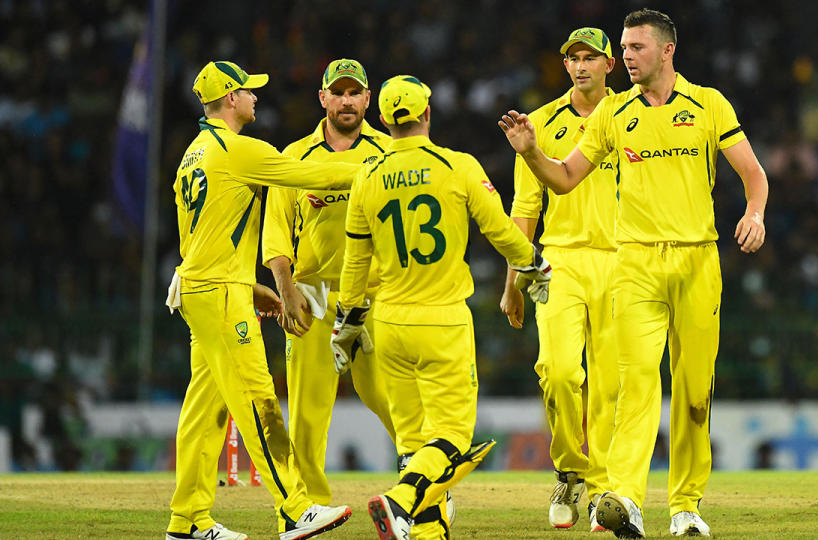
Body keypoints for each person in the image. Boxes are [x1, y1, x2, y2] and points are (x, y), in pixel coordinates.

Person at [500, 9, 768, 538]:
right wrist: (531, 153)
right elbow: (564, 178)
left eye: (635, 48)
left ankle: (686, 504)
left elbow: (753, 175)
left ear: (667, 51)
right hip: (635, 263)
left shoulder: (707, 104)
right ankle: (622, 497)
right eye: (622, 48)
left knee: (694, 390)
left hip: (697, 261)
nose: (626, 56)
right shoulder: (614, 112)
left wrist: (754, 213)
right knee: (635, 385)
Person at [331, 74, 552, 540]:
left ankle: (428, 533)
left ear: (383, 119)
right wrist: (533, 264)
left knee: (414, 443)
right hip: (442, 318)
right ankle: (400, 500)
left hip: (387, 321)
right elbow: (500, 229)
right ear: (428, 113)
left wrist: (346, 323)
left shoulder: (365, 177)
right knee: (451, 439)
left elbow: (355, 262)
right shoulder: (456, 166)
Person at [165, 60, 360, 540]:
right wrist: (392, 163)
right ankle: (295, 509)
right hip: (219, 295)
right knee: (258, 401)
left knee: (203, 410)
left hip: (200, 285)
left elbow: (200, 237)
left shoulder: (194, 153)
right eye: (249, 91)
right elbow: (318, 176)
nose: (256, 97)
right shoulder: (239, 150)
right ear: (230, 98)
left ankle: (187, 519)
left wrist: (248, 285)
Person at [499, 27, 620, 532]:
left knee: (613, 386)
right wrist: (513, 281)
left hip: (625, 261)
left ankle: (605, 489)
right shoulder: (540, 123)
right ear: (564, 65)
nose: (582, 65)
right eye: (573, 57)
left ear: (610, 65)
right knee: (560, 371)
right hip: (560, 263)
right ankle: (570, 472)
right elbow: (525, 210)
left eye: (592, 57)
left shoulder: (634, 115)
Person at [262, 58, 396, 509]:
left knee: (391, 398)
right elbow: (275, 232)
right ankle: (308, 507)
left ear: (367, 99)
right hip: (313, 293)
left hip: (375, 292)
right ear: (322, 98)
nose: (345, 100)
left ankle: (425, 482)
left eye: (354, 92)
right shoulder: (293, 156)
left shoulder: (389, 153)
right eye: (337, 92)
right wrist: (286, 289)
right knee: (306, 411)